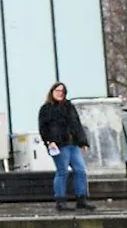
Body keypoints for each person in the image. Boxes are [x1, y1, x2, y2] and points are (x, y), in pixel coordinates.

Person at [39, 82, 93, 211]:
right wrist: (49, 141)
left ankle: (81, 199)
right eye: (57, 91)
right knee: (62, 171)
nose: (60, 94)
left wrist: (82, 142)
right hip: (59, 145)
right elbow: (43, 127)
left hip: (73, 144)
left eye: (62, 91)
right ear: (52, 92)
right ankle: (60, 201)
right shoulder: (46, 109)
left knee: (80, 170)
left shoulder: (69, 107)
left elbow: (77, 125)